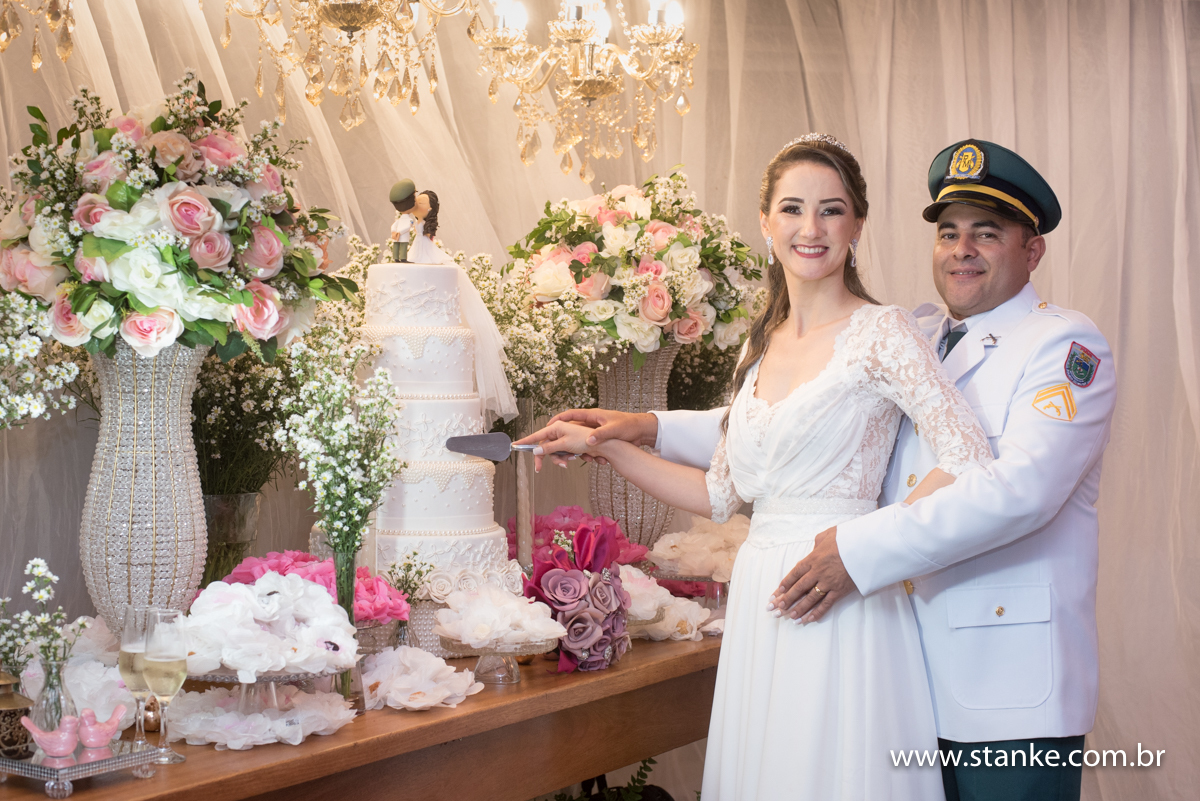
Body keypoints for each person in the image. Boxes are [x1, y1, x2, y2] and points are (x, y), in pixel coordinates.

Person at [543, 139, 1117, 801]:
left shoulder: (1062, 345)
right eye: (950, 232)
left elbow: (1020, 492)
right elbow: (790, 426)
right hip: (904, 651)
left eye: (987, 234)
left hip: (1000, 675)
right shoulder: (918, 330)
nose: (963, 249)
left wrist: (857, 550)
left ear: (1031, 249)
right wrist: (641, 428)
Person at [388, 179, 417, 262]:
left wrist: (397, 232)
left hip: (398, 235)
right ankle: (400, 258)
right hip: (401, 236)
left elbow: (395, 225)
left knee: (397, 245)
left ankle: (397, 258)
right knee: (402, 246)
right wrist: (396, 232)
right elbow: (407, 227)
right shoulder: (410, 220)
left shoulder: (401, 220)